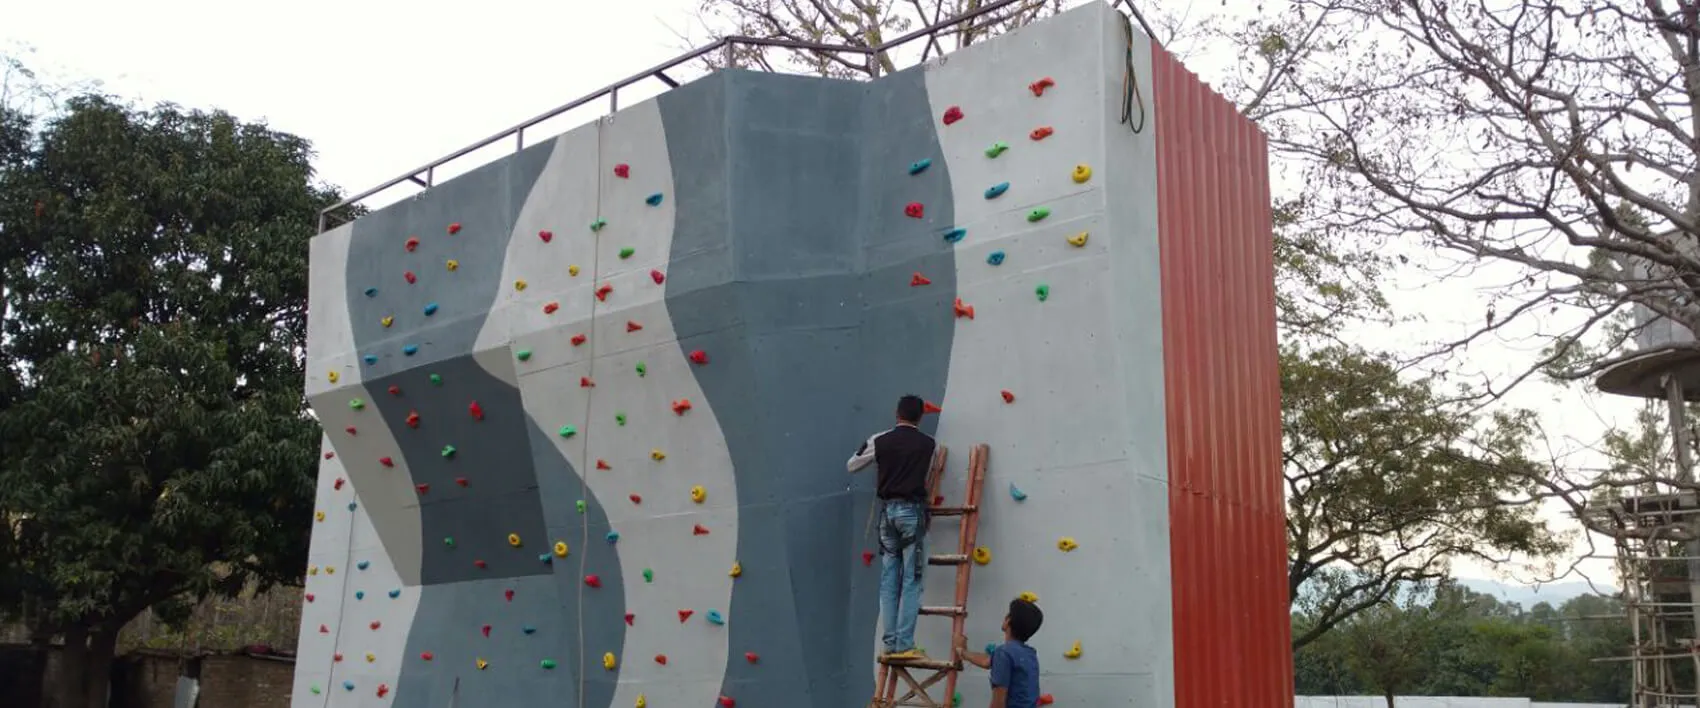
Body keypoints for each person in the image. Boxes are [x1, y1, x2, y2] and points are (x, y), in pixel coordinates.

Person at [847, 394, 941, 659]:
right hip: (913, 512)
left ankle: (889, 643)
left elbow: (852, 465)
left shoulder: (881, 440)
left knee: (889, 579)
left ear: (896, 413)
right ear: (920, 417)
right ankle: (905, 644)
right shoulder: (928, 444)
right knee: (912, 579)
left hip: (887, 514)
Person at [954, 599, 1043, 708]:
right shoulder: (1029, 653)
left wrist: (959, 648)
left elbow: (998, 703)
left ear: (1008, 621)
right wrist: (962, 652)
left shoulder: (1003, 653)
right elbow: (986, 661)